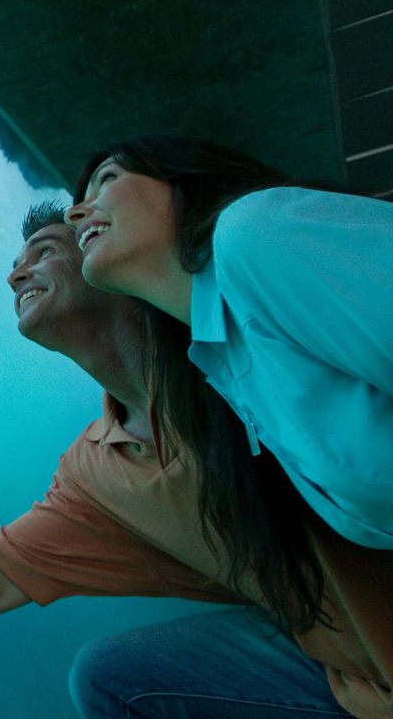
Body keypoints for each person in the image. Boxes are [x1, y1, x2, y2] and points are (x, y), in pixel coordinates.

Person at [0, 201, 392, 718]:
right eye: (14, 266)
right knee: (109, 676)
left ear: (104, 258)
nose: (15, 276)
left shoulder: (234, 343)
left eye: (43, 251)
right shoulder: (95, 470)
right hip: (360, 680)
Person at [64, 134, 393, 550]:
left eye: (107, 179)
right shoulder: (216, 359)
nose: (76, 213)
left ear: (182, 177)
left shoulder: (254, 234)